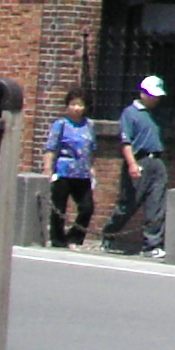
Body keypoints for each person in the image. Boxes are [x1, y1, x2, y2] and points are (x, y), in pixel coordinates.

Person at [99, 75, 169, 257]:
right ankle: (109, 233)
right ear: (142, 93)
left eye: (157, 96)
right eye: (152, 95)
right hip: (139, 159)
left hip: (156, 160)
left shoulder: (156, 115)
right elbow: (126, 141)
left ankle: (151, 245)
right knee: (128, 204)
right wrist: (132, 164)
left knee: (156, 204)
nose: (156, 99)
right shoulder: (130, 113)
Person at [42, 91, 97, 247]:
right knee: (59, 208)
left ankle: (75, 237)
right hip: (63, 170)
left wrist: (92, 169)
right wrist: (48, 168)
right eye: (73, 104)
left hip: (82, 172)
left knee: (87, 207)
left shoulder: (89, 125)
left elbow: (92, 149)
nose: (76, 108)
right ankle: (57, 239)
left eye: (80, 104)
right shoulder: (61, 124)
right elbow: (51, 148)